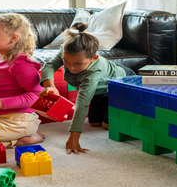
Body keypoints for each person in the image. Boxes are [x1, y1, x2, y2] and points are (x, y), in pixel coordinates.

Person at [40, 22, 135, 155]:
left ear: (94, 58)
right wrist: (50, 86)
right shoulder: (66, 51)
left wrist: (73, 139)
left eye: (78, 64)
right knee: (95, 123)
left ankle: (131, 117)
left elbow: (82, 104)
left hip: (121, 85)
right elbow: (49, 66)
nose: (71, 67)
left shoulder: (94, 71)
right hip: (100, 90)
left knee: (106, 126)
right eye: (66, 61)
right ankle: (107, 104)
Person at [0, 13, 44, 148]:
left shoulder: (21, 64)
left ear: (13, 38)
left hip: (18, 121)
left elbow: (36, 96)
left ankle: (22, 140)